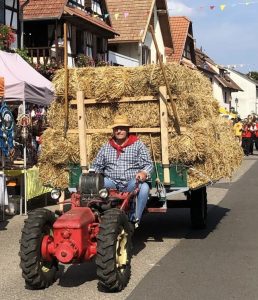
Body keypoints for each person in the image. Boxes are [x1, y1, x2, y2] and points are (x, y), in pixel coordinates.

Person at [92, 115, 153, 225]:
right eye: (116, 129)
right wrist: (93, 172)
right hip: (111, 182)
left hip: (131, 182)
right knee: (97, 183)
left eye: (122, 128)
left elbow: (148, 164)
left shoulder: (137, 144)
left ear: (127, 130)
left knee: (144, 187)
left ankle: (135, 218)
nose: (119, 131)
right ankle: (99, 214)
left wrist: (144, 172)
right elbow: (97, 165)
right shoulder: (106, 146)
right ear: (113, 130)